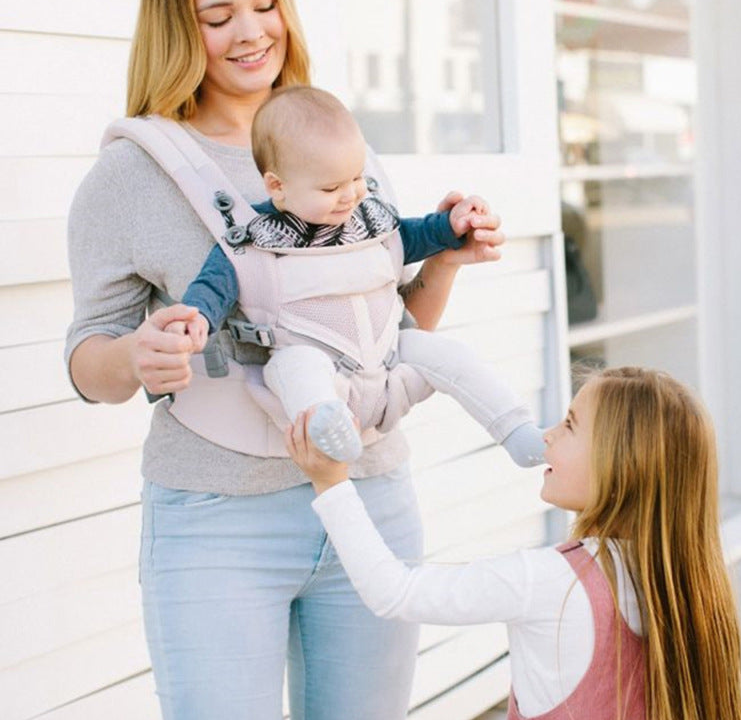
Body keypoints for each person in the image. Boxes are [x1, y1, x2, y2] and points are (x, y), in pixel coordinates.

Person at [64, 0, 504, 720]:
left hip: (369, 497)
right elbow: (87, 355)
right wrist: (138, 354)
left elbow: (393, 330)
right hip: (216, 521)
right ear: (176, 26)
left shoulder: (342, 147)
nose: (251, 31)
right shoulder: (129, 174)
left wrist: (444, 258)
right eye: (218, 14)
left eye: (264, 4)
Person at [289, 366, 741, 720]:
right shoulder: (685, 583)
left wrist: (331, 484)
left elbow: (395, 592)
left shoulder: (550, 581)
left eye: (570, 425)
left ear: (622, 464)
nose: (548, 434)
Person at [168, 85, 545, 465]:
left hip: (392, 363)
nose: (350, 195)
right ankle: (332, 432)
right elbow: (212, 287)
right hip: (323, 379)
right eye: (331, 187)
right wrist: (196, 318)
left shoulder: (370, 221)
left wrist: (452, 222)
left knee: (452, 354)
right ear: (278, 186)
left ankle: (518, 430)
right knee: (295, 367)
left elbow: (416, 235)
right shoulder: (254, 243)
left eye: (356, 178)